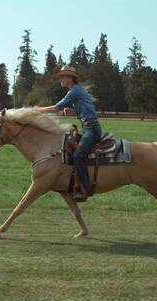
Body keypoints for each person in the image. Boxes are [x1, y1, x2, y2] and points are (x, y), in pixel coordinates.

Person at [35, 65, 101, 202]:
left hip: (92, 129)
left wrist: (37, 110)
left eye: (63, 76)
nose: (60, 79)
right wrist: (70, 110)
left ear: (70, 78)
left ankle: (85, 187)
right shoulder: (76, 91)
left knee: (78, 155)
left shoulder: (74, 91)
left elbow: (56, 107)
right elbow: (84, 108)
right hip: (88, 127)